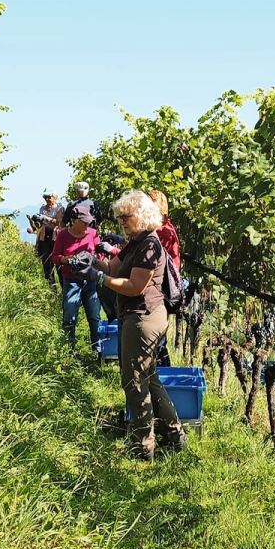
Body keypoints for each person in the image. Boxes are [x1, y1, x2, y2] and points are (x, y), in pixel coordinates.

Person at [74, 190, 185, 460]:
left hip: (143, 317)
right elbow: (113, 268)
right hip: (138, 316)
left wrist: (98, 279)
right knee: (149, 377)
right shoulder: (136, 241)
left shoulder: (149, 245)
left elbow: (135, 287)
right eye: (120, 216)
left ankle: (143, 445)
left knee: (134, 382)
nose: (122, 221)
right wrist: (93, 263)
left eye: (127, 216)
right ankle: (174, 432)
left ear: (142, 215)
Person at [51, 205, 102, 350]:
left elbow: (100, 253)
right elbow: (55, 257)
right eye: (84, 222)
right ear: (74, 220)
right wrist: (67, 260)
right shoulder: (63, 235)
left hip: (91, 281)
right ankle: (69, 350)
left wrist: (93, 259)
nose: (87, 225)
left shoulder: (93, 233)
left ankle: (97, 350)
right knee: (69, 316)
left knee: (94, 317)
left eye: (88, 222)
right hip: (71, 281)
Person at [146, 189, 181, 366]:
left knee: (158, 338)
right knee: (159, 336)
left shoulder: (161, 231)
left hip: (161, 288)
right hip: (163, 287)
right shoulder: (165, 227)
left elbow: (149, 261)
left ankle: (161, 377)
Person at [28, 188, 64, 288]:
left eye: (49, 197)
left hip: (56, 238)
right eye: (45, 197)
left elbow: (59, 222)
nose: (47, 199)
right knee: (47, 264)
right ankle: (52, 291)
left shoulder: (60, 208)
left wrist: (45, 218)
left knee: (59, 265)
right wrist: (34, 221)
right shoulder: (42, 208)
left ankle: (63, 290)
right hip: (45, 238)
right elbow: (39, 225)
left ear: (54, 197)